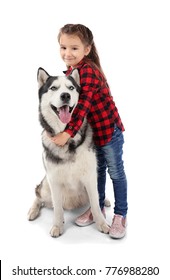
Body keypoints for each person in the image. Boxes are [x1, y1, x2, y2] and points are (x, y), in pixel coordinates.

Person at [48, 23, 128, 239]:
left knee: (116, 173)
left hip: (109, 132)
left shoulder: (89, 71)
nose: (67, 53)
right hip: (93, 137)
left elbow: (82, 106)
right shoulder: (72, 73)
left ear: (87, 49)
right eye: (63, 47)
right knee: (97, 172)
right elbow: (68, 108)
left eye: (74, 48)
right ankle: (97, 208)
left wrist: (67, 133)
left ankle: (120, 214)